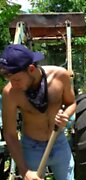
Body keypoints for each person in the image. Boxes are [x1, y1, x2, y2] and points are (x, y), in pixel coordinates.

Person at [0, 44, 76, 180]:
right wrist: (25, 171)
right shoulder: (10, 93)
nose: (13, 84)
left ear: (31, 69)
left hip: (59, 142)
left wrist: (66, 115)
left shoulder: (60, 76)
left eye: (16, 80)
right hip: (32, 148)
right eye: (10, 80)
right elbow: (10, 134)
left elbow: (72, 103)